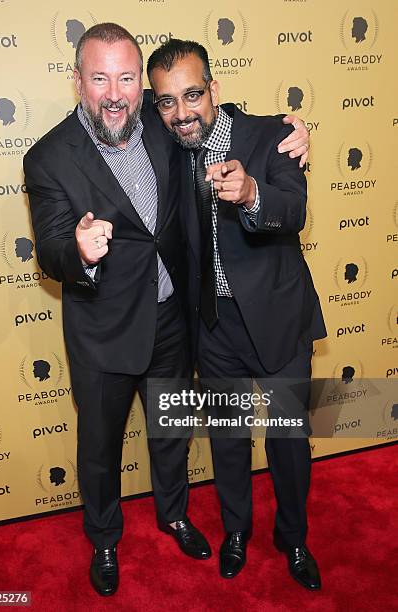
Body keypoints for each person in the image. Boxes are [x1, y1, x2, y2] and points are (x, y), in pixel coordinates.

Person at [23, 23, 310, 597]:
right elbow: (52, 246)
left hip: (176, 323)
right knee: (100, 449)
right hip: (104, 331)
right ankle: (104, 537)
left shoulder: (160, 124)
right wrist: (77, 251)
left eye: (126, 78)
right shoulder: (50, 157)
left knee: (172, 433)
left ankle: (175, 514)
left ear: (141, 89)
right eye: (100, 77)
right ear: (78, 82)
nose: (114, 91)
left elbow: (212, 117)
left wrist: (294, 130)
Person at [148, 39, 326, 590]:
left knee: (289, 438)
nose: (182, 112)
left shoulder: (271, 135)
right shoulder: (167, 148)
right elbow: (98, 131)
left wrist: (251, 193)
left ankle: (293, 538)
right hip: (213, 324)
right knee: (227, 437)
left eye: (193, 95)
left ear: (214, 90)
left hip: (276, 317)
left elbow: (293, 209)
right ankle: (236, 531)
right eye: (167, 101)